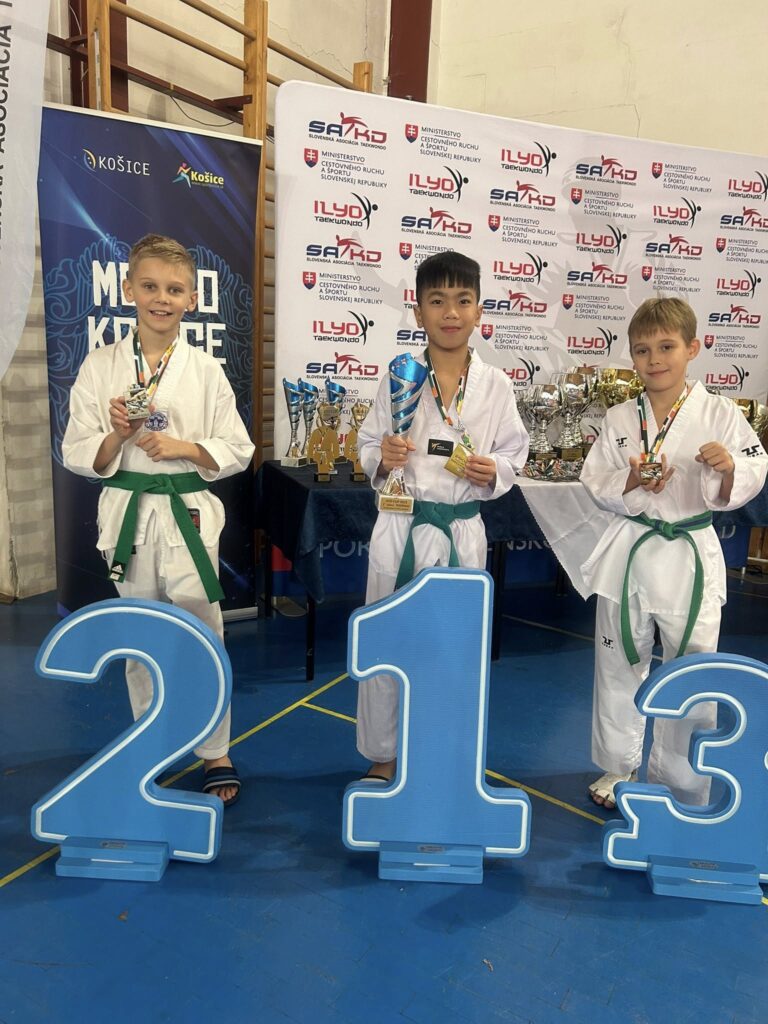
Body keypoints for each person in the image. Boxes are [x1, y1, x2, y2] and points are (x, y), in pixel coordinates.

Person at [62, 234, 254, 806]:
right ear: (129, 290)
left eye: (174, 289)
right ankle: (150, 742)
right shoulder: (101, 366)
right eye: (149, 286)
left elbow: (237, 448)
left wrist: (184, 448)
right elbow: (76, 449)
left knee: (204, 631)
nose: (161, 299)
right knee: (140, 632)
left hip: (187, 514)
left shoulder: (206, 370)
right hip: (127, 515)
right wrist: (117, 435)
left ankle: (215, 749)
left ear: (192, 299)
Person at [580, 297, 768, 809]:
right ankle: (617, 766)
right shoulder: (620, 416)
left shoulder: (720, 413)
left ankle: (680, 779)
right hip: (631, 552)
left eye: (667, 347)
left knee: (693, 668)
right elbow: (594, 479)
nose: (654, 359)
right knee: (617, 662)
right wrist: (630, 480)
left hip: (689, 554)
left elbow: (754, 468)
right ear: (632, 356)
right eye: (643, 350)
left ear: (693, 348)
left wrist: (729, 467)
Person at [355, 250, 529, 782]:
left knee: (457, 649)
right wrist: (381, 457)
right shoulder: (400, 375)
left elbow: (515, 452)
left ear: (479, 311)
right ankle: (383, 754)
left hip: (460, 528)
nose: (450, 312)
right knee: (388, 640)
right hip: (402, 523)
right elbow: (368, 443)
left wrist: (493, 470)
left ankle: (448, 749)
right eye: (437, 301)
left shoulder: (496, 384)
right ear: (418, 311)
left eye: (462, 300)